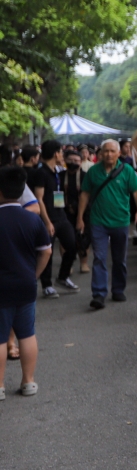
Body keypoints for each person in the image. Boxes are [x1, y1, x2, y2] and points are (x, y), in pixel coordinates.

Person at [0, 167, 52, 401]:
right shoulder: (32, 219)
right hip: (25, 285)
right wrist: (34, 275)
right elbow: (46, 251)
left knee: (0, 338)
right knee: (27, 335)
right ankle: (28, 381)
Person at [76, 139, 137, 310]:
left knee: (119, 259)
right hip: (98, 221)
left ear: (119, 153)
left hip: (120, 221)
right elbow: (84, 194)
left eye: (112, 151)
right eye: (105, 151)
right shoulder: (93, 171)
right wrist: (80, 217)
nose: (108, 154)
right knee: (99, 258)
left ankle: (118, 289)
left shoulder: (127, 170)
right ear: (100, 153)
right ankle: (99, 294)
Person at [30, 140, 79, 297]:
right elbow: (39, 198)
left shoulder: (56, 172)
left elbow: (56, 195)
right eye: (61, 152)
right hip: (48, 219)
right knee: (47, 252)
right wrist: (47, 222)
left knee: (73, 244)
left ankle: (63, 277)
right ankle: (47, 285)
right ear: (55, 153)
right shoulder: (41, 173)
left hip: (60, 216)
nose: (63, 156)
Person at [60, 149, 91, 275]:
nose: (73, 163)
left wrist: (81, 215)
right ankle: (68, 264)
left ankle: (84, 263)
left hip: (84, 212)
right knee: (65, 240)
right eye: (70, 160)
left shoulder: (86, 176)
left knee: (84, 239)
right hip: (65, 211)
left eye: (76, 161)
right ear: (65, 161)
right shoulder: (60, 176)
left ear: (81, 162)